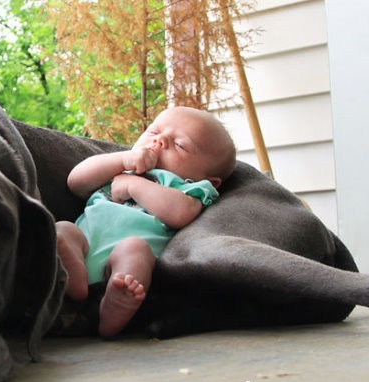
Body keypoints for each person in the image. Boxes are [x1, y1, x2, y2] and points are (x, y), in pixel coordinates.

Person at [56, 106, 236, 337]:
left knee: (135, 248)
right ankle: (74, 277)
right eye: (154, 132)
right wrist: (123, 159)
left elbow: (180, 213)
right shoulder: (122, 166)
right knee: (64, 230)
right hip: (84, 247)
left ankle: (115, 306)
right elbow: (75, 182)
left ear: (209, 180)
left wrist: (134, 185)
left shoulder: (187, 187)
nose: (160, 141)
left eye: (180, 145)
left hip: (121, 271)